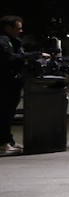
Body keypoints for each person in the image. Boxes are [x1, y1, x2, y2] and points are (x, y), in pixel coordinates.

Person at [1, 16, 47, 156]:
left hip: (12, 82)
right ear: (8, 28)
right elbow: (9, 58)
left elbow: (18, 55)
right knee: (4, 113)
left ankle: (8, 141)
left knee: (8, 113)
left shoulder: (13, 41)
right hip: (5, 83)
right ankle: (3, 144)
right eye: (18, 28)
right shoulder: (3, 41)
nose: (21, 31)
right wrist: (33, 55)